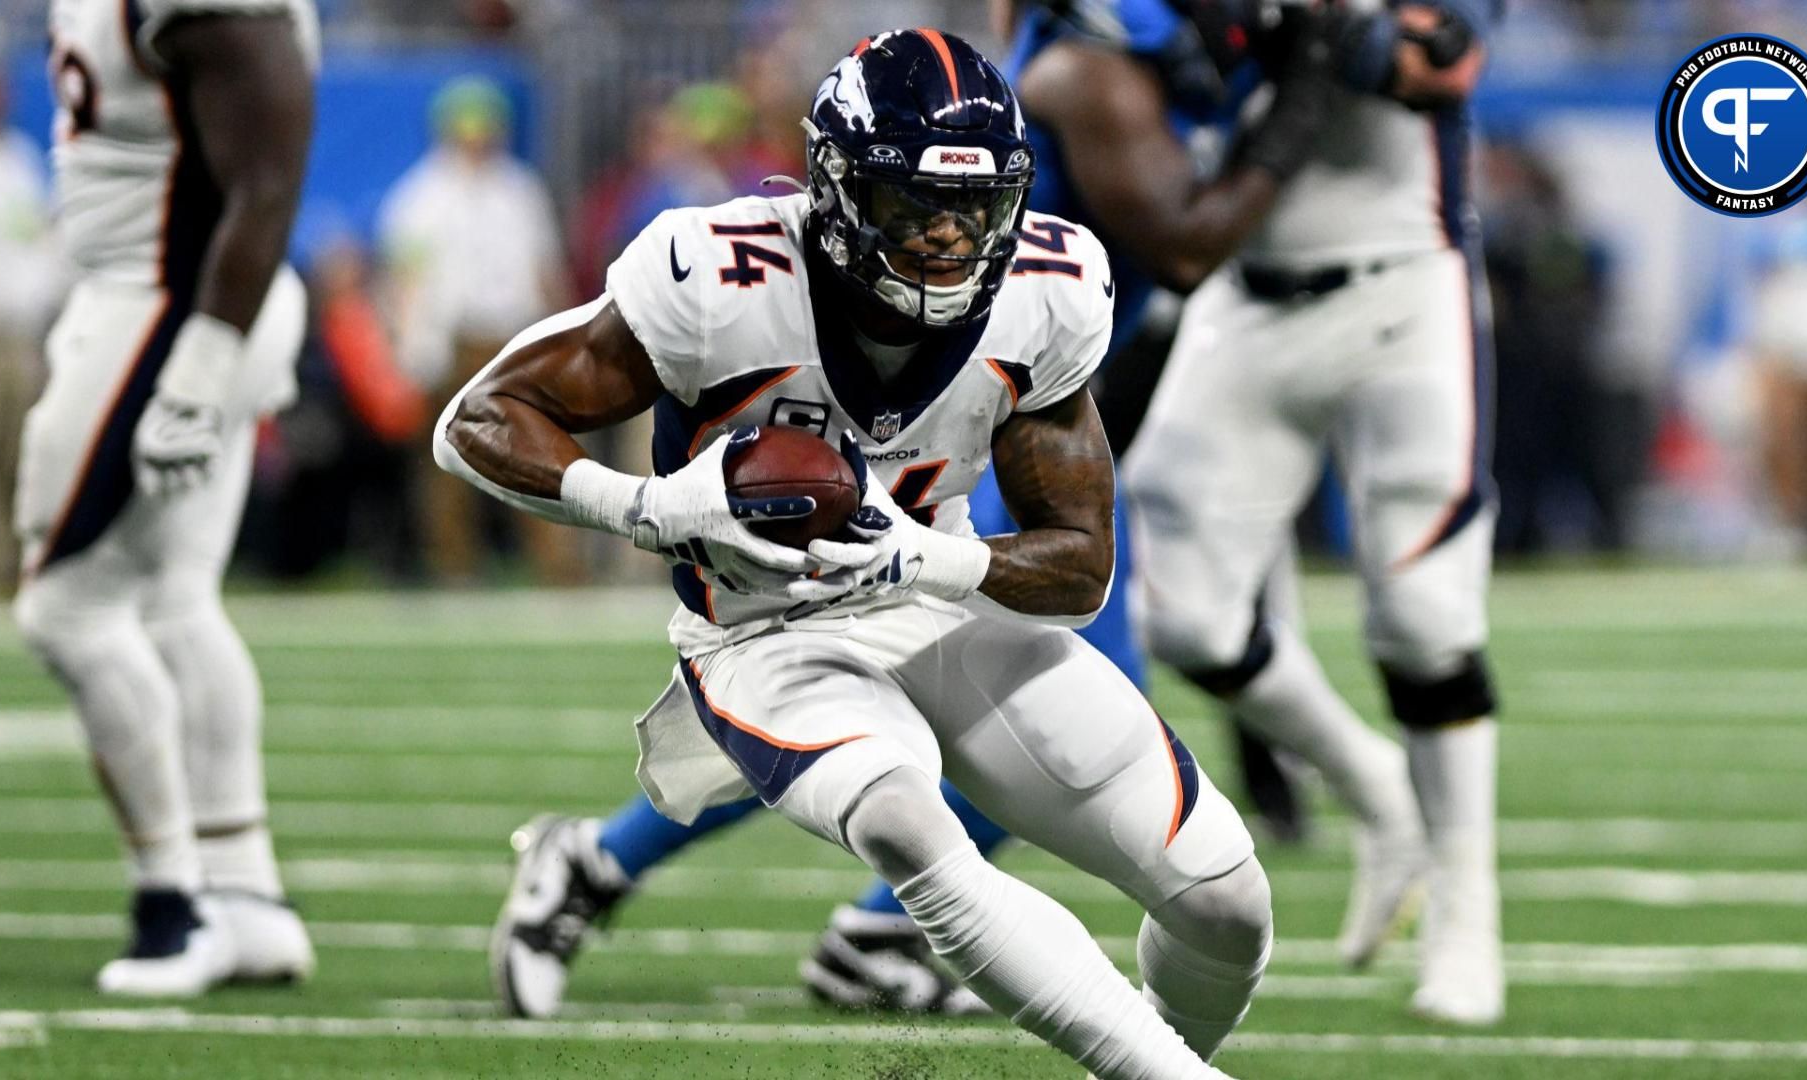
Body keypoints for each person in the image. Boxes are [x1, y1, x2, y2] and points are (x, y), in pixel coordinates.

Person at [480, 1, 1409, 1023]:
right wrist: (1301, 103)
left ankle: (680, 879)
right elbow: (1186, 241)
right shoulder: (1097, 66)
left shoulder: (1150, 85)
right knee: (920, 676)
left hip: (1028, 381)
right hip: (945, 390)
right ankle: (830, 909)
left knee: (917, 685)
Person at [1123, 0, 1511, 1024]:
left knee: (1426, 618)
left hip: (1403, 291)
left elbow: (1441, 58)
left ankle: (1468, 911)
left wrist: (1325, 22)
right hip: (1243, 296)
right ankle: (1378, 790)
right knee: (1185, 616)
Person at [12, 0, 319, 996]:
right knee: (176, 602)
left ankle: (172, 905)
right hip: (158, 296)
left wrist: (199, 362)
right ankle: (248, 898)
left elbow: (270, 179)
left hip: (169, 304)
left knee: (65, 611)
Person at [379, 75, 580, 584]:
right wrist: (407, 343)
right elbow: (404, 280)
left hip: (513, 337)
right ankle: (454, 566)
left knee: (538, 452)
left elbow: (543, 268)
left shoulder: (520, 190)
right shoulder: (421, 197)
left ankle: (557, 568)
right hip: (453, 338)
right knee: (447, 463)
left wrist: (562, 332)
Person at [0, 45, 62, 591]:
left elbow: (39, 241)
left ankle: (6, 570)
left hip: (21, 333)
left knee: (14, 455)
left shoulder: (21, 158)